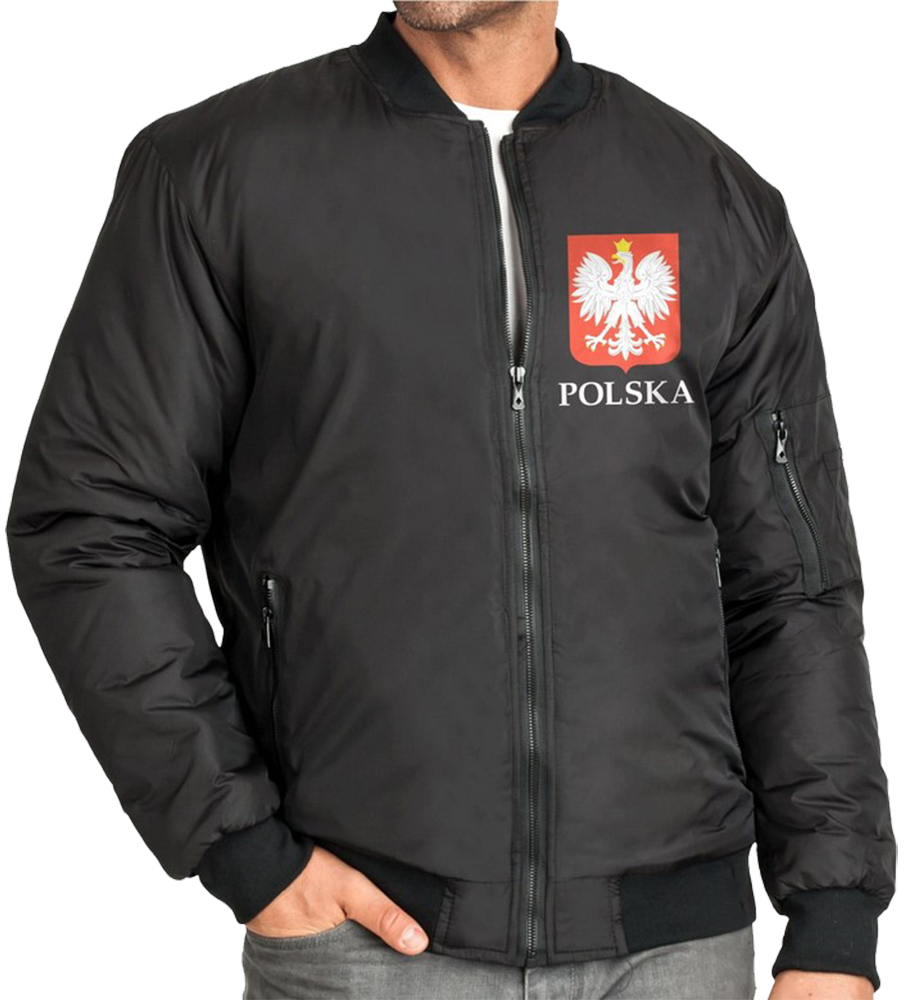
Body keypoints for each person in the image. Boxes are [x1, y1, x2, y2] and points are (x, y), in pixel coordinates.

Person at [6, 3, 895, 998]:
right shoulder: (220, 172)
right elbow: (91, 521)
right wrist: (244, 849)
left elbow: (791, 585)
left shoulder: (709, 197)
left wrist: (833, 921)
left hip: (674, 950)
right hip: (366, 939)